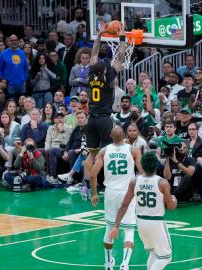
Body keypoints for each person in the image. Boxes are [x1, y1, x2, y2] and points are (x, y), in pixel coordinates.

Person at [109, 152, 177, 270]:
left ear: (142, 165)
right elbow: (171, 207)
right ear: (156, 165)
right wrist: (174, 199)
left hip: (140, 222)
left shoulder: (134, 182)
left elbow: (124, 205)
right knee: (166, 257)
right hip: (156, 223)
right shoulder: (162, 183)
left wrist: (116, 225)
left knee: (153, 252)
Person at [84, 23, 126, 206]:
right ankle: (112, 185)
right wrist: (122, 37)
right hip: (103, 119)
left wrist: (99, 35)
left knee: (91, 155)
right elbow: (122, 57)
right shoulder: (109, 77)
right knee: (108, 154)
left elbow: (93, 54)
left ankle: (88, 187)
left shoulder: (92, 73)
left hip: (90, 119)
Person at [90, 126, 143, 270]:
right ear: (125, 135)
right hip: (128, 192)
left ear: (110, 136)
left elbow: (93, 174)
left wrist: (94, 193)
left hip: (111, 193)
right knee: (129, 230)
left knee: (109, 228)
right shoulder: (133, 150)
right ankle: (125, 264)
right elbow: (142, 171)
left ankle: (108, 263)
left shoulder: (104, 150)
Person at [0, 34, 29, 101]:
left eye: (15, 40)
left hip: (22, 84)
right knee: (11, 104)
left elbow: (26, 68)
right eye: (12, 40)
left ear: (18, 41)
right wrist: (2, 80)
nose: (14, 42)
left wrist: (25, 79)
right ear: (9, 42)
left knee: (23, 105)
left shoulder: (22, 53)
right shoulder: (3, 54)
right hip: (10, 85)